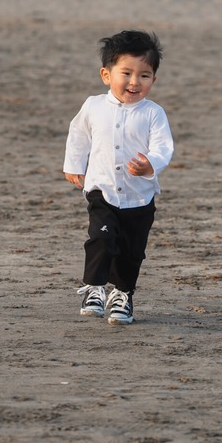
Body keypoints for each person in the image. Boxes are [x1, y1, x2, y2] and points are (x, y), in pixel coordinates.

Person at [63, 30, 174, 325]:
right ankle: (95, 287)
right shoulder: (94, 106)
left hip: (140, 195)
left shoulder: (153, 113)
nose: (134, 82)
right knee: (102, 236)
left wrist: (150, 164)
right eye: (126, 73)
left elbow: (164, 147)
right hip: (103, 189)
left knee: (132, 251)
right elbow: (79, 135)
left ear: (153, 79)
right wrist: (74, 165)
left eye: (144, 75)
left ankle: (123, 294)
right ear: (106, 74)